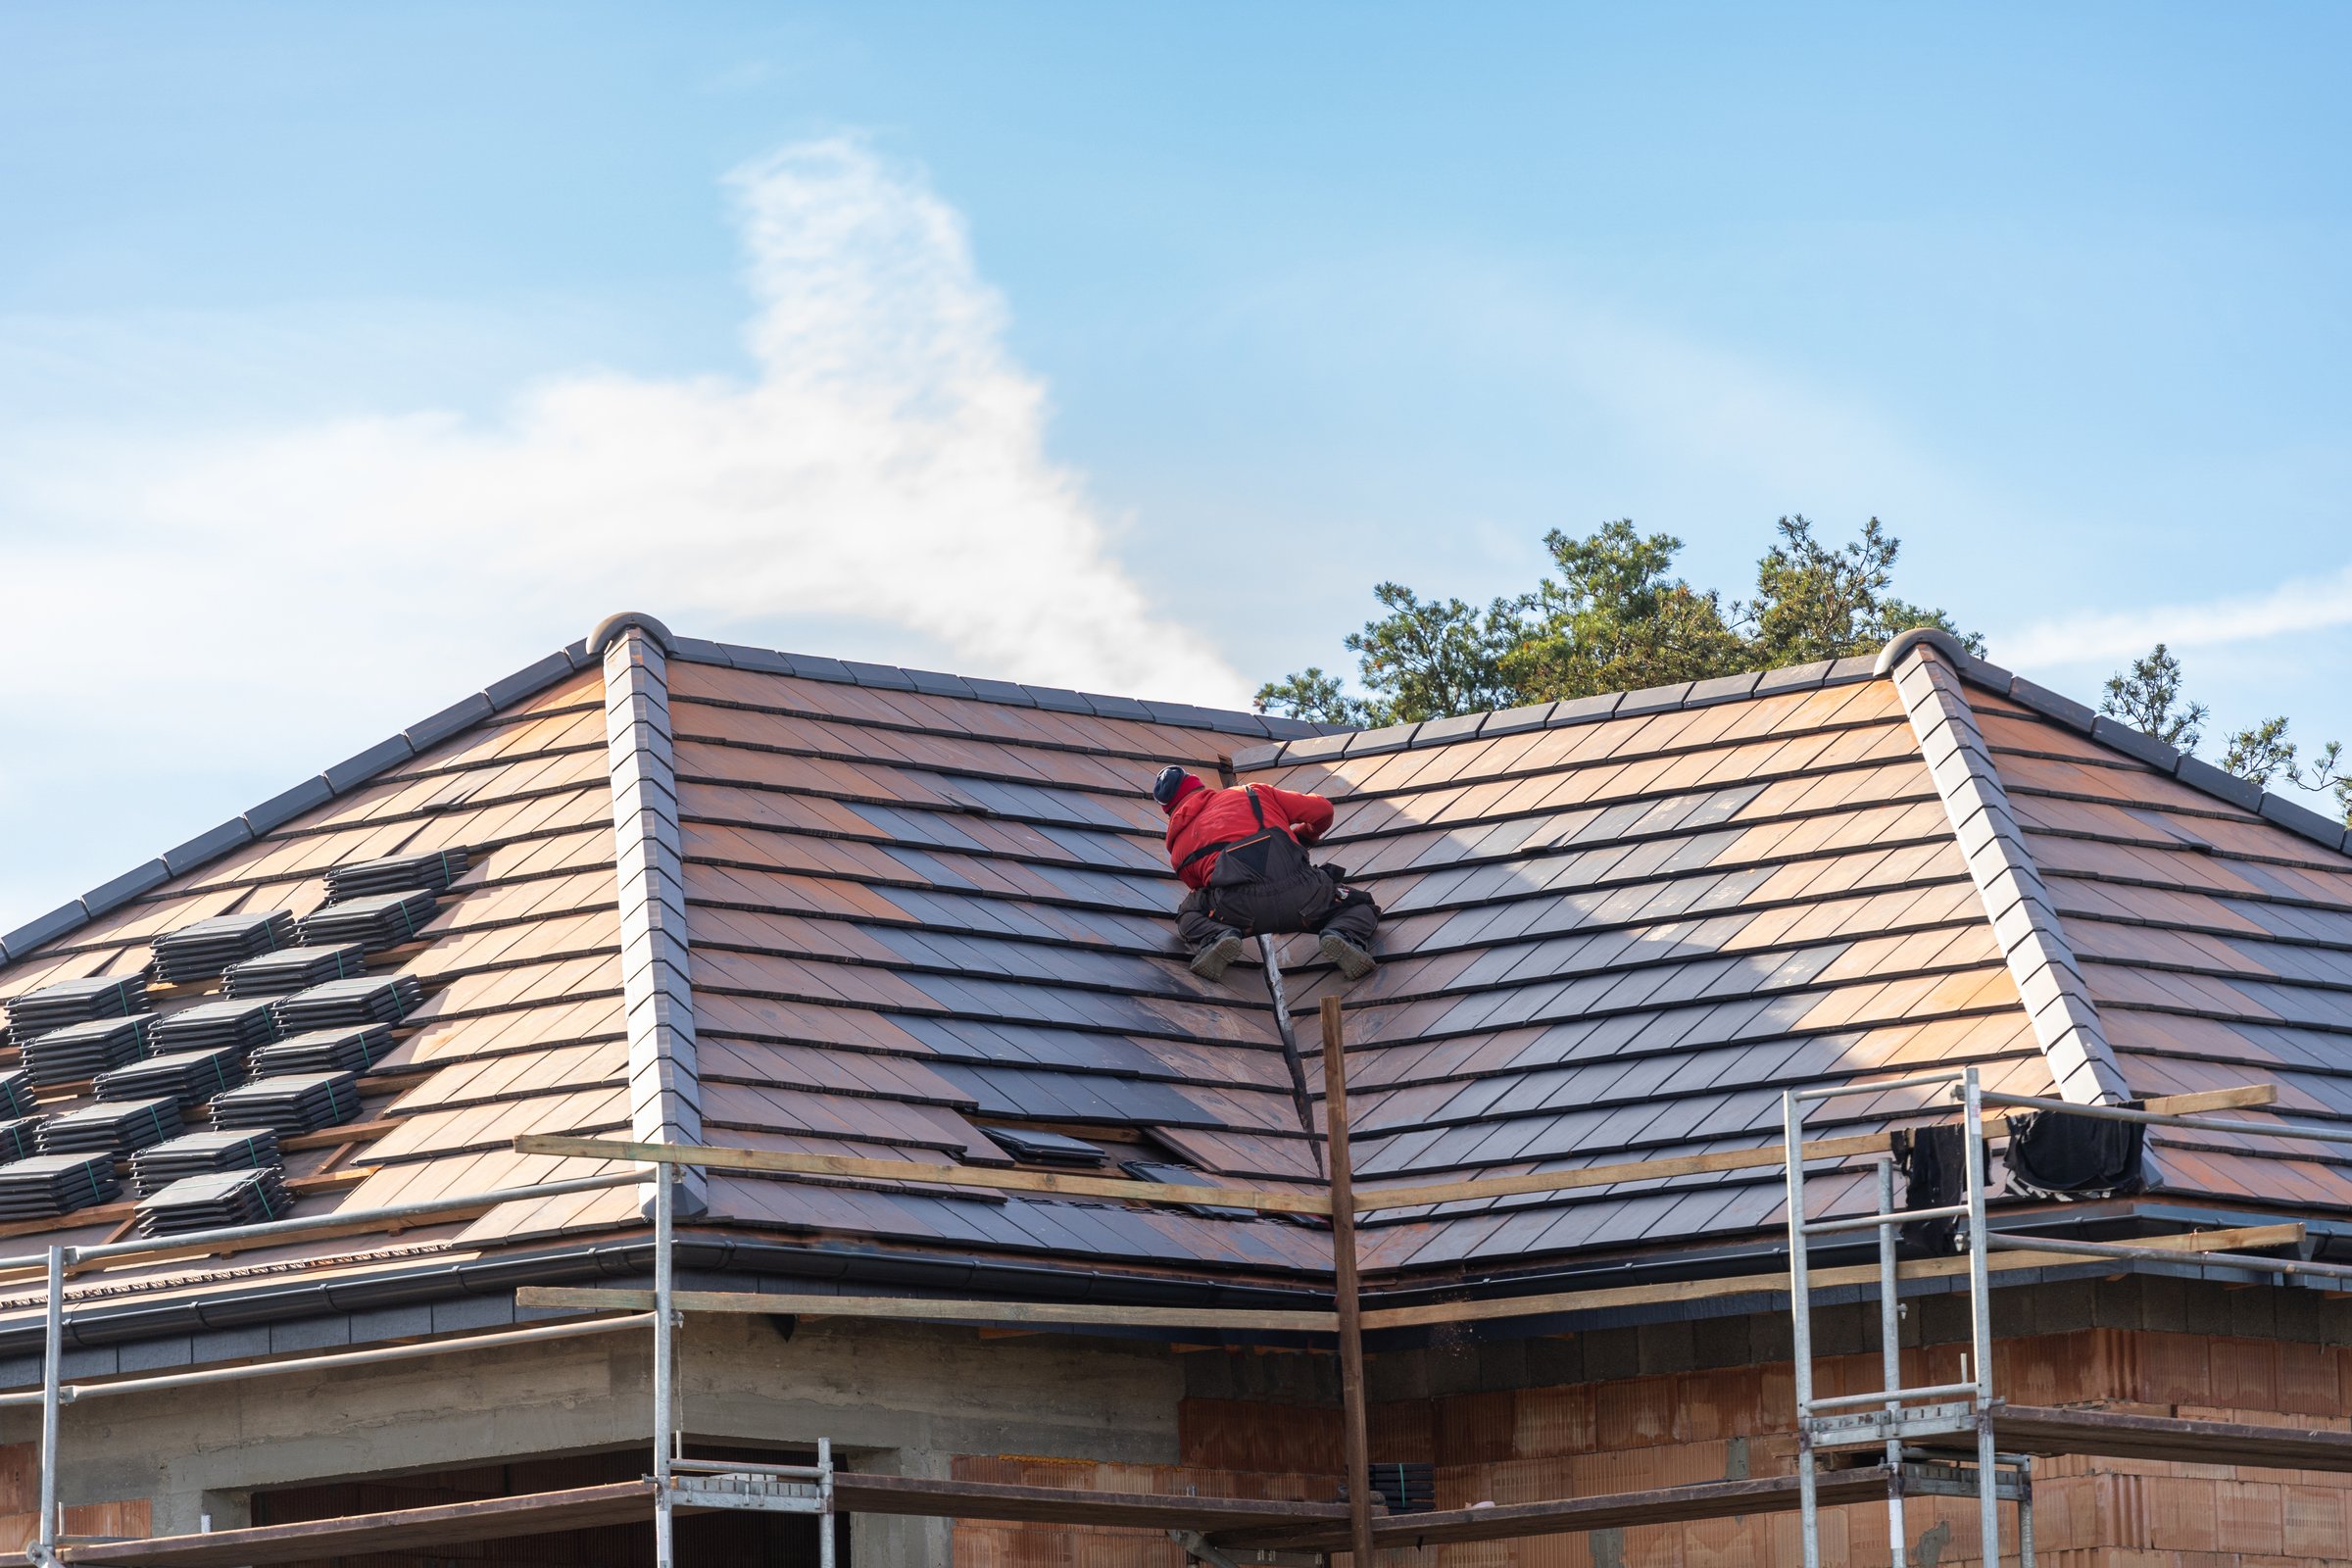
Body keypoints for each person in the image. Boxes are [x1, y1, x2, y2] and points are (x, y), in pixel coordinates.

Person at [1152, 765, 1380, 983]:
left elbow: (1202, 888)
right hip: (1306, 896)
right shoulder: (1252, 793)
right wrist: (1306, 836)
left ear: (1169, 811)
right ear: (1199, 786)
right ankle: (1341, 934)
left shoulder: (1178, 852)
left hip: (1242, 914)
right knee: (1362, 905)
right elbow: (1323, 810)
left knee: (1189, 911)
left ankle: (1217, 937)